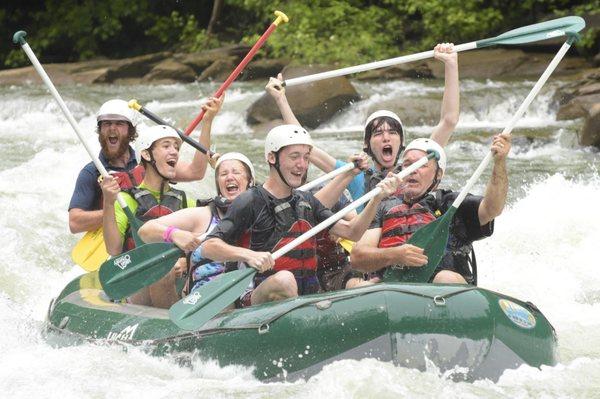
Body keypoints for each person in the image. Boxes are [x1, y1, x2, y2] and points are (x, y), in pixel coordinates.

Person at [201, 124, 401, 307]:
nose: (302, 164)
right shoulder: (250, 200)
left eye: (306, 157)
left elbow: (353, 232)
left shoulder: (307, 201)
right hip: (256, 301)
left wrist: (377, 198)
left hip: (305, 301)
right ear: (272, 158)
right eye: (294, 156)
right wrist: (249, 255)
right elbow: (209, 247)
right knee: (284, 279)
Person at [266, 42, 460, 210]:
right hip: (368, 245)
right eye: (378, 133)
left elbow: (449, 121)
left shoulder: (418, 167)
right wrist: (281, 99)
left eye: (392, 132)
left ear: (402, 142)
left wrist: (451, 64)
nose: (386, 137)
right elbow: (305, 144)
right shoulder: (355, 174)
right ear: (367, 144)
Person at [350, 134, 510, 286]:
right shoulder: (384, 206)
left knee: (445, 278)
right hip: (391, 290)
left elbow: (492, 208)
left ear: (438, 175)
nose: (413, 170)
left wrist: (499, 162)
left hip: (440, 291)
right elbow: (357, 257)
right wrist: (395, 255)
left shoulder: (451, 204)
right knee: (360, 285)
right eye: (407, 165)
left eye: (422, 165)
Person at [68, 97, 221, 234]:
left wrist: (207, 122)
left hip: (156, 233)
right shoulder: (91, 172)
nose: (112, 128)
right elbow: (74, 223)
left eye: (119, 123)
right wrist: (119, 211)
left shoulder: (148, 160)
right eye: (106, 124)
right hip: (116, 239)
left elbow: (196, 172)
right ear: (100, 130)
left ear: (130, 130)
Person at [138, 152, 256, 301]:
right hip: (202, 302)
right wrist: (173, 234)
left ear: (250, 181)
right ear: (218, 184)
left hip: (248, 300)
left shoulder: (264, 215)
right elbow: (145, 230)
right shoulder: (203, 215)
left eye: (236, 172)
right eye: (223, 174)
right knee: (162, 269)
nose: (229, 177)